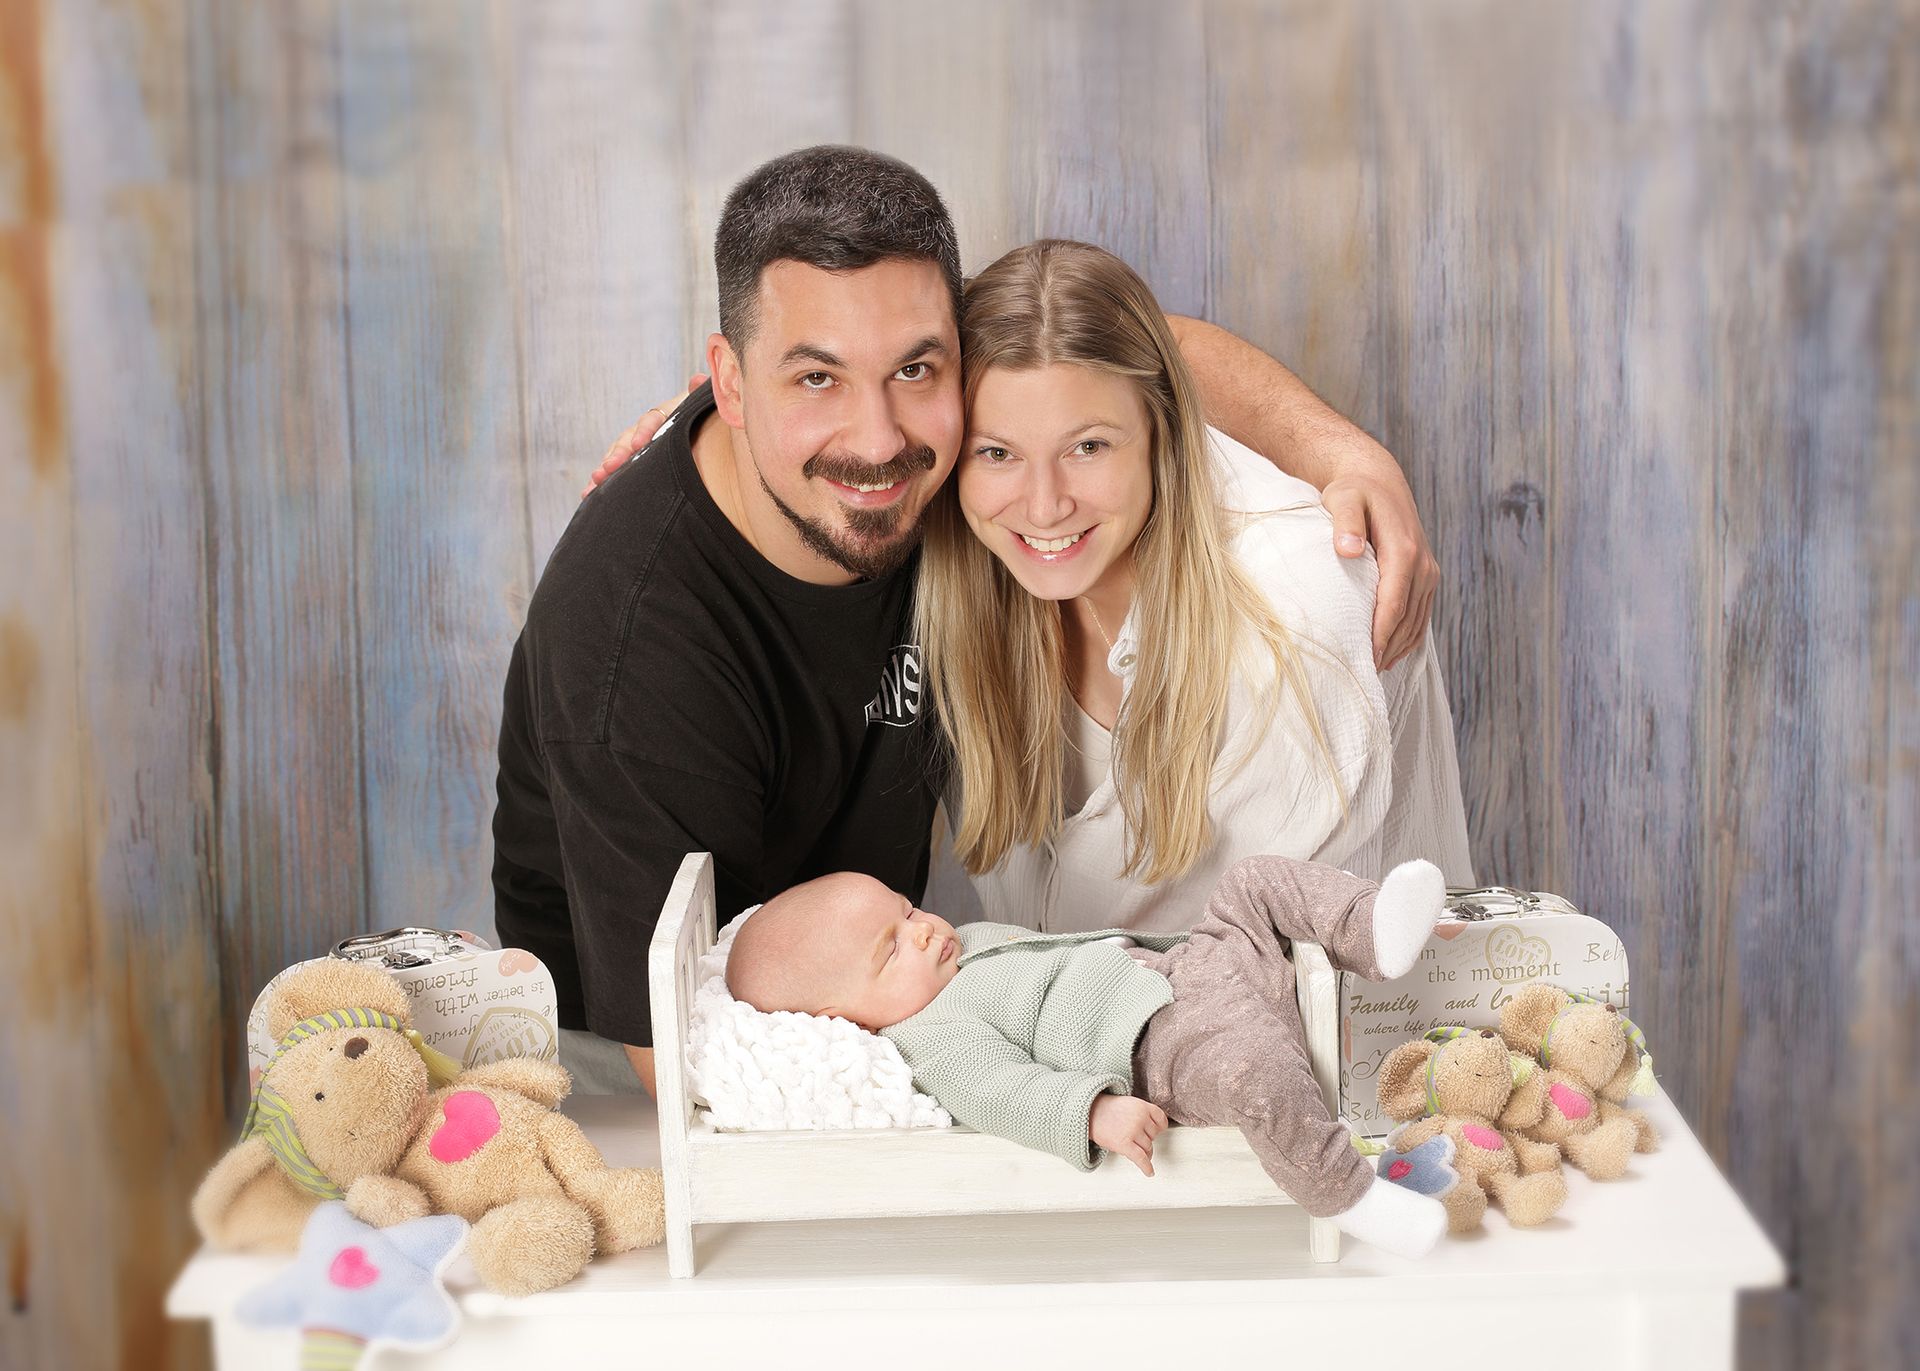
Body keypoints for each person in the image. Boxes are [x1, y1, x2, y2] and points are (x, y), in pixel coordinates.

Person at [514, 146, 1442, 1097]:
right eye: (815, 379)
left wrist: (1343, 453)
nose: (879, 441)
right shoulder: (636, 647)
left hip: (985, 1025)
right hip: (681, 1099)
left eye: (913, 368)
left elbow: (1110, 351)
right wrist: (984, 1079)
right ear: (735, 384)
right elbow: (676, 1058)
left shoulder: (936, 464)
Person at [913, 241, 1473, 936]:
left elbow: (1228, 971)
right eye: (996, 453)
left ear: (1163, 429)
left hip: (1332, 1033)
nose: (1044, 504)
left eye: (1088, 446)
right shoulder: (964, 587)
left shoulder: (1298, 615)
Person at [723, 853, 1453, 1259]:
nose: (922, 929)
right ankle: (1348, 1193)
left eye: (907, 910)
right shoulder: (932, 1038)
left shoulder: (956, 952)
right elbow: (1005, 1092)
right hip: (1158, 1044)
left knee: (1251, 879)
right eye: (891, 949)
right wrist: (1094, 1110)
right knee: (1249, 1071)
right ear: (841, 1017)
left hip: (1186, 969)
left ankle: (1372, 932)